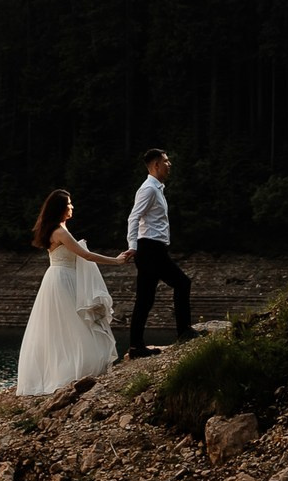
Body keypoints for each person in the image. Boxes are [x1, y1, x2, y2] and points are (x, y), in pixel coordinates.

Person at [15, 188, 130, 395]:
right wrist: (116, 261)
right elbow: (86, 255)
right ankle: (73, 370)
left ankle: (64, 369)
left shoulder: (56, 229)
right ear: (60, 208)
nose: (72, 207)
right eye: (69, 204)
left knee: (64, 327)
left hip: (57, 277)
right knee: (74, 324)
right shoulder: (60, 231)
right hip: (63, 280)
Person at [125, 146, 193, 357]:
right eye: (166, 161)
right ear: (156, 165)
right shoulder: (149, 189)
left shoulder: (156, 189)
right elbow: (133, 217)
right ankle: (184, 332)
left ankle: (136, 346)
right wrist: (132, 246)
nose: (169, 164)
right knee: (182, 283)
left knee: (145, 299)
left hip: (153, 248)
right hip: (149, 249)